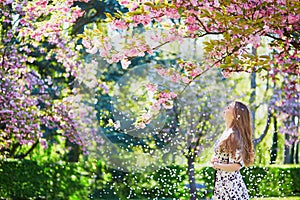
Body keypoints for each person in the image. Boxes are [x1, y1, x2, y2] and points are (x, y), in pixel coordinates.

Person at [211, 101, 255, 200]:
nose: (225, 109)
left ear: (235, 115)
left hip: (231, 189)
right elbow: (224, 156)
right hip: (222, 186)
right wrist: (215, 159)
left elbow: (236, 165)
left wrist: (218, 165)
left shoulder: (233, 135)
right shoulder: (227, 132)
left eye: (228, 107)